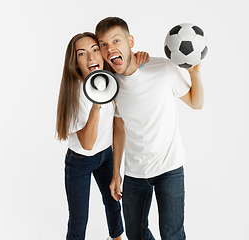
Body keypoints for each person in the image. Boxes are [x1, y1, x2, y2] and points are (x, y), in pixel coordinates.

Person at [95, 17, 204, 240]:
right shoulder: (112, 86)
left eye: (116, 40)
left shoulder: (162, 68)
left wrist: (195, 73)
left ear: (130, 41)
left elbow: (196, 103)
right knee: (136, 235)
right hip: (135, 173)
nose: (110, 48)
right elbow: (119, 126)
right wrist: (116, 172)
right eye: (104, 44)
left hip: (169, 168)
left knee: (171, 235)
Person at [56, 32, 149, 240]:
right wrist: (96, 105)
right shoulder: (73, 93)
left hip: (106, 155)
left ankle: (116, 238)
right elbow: (87, 144)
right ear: (75, 62)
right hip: (80, 160)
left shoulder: (110, 81)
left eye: (95, 50)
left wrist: (139, 57)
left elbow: (131, 68)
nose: (90, 57)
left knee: (113, 203)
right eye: (82, 54)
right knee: (79, 218)